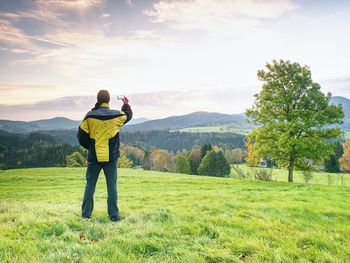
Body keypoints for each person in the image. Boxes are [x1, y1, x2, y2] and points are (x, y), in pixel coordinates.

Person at [77, 90, 132, 221]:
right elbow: (128, 115)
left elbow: (81, 136)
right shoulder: (116, 115)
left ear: (98, 99)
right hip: (111, 158)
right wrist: (125, 104)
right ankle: (114, 215)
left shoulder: (89, 116)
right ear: (108, 101)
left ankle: (86, 215)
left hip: (94, 157)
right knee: (112, 185)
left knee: (90, 185)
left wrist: (90, 147)